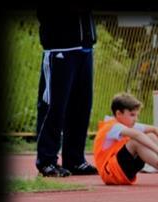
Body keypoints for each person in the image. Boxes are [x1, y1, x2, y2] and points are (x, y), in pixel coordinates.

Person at [35, 6, 99, 177]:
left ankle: (74, 159)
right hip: (60, 49)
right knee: (53, 107)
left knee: (81, 107)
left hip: (85, 48)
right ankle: (46, 160)